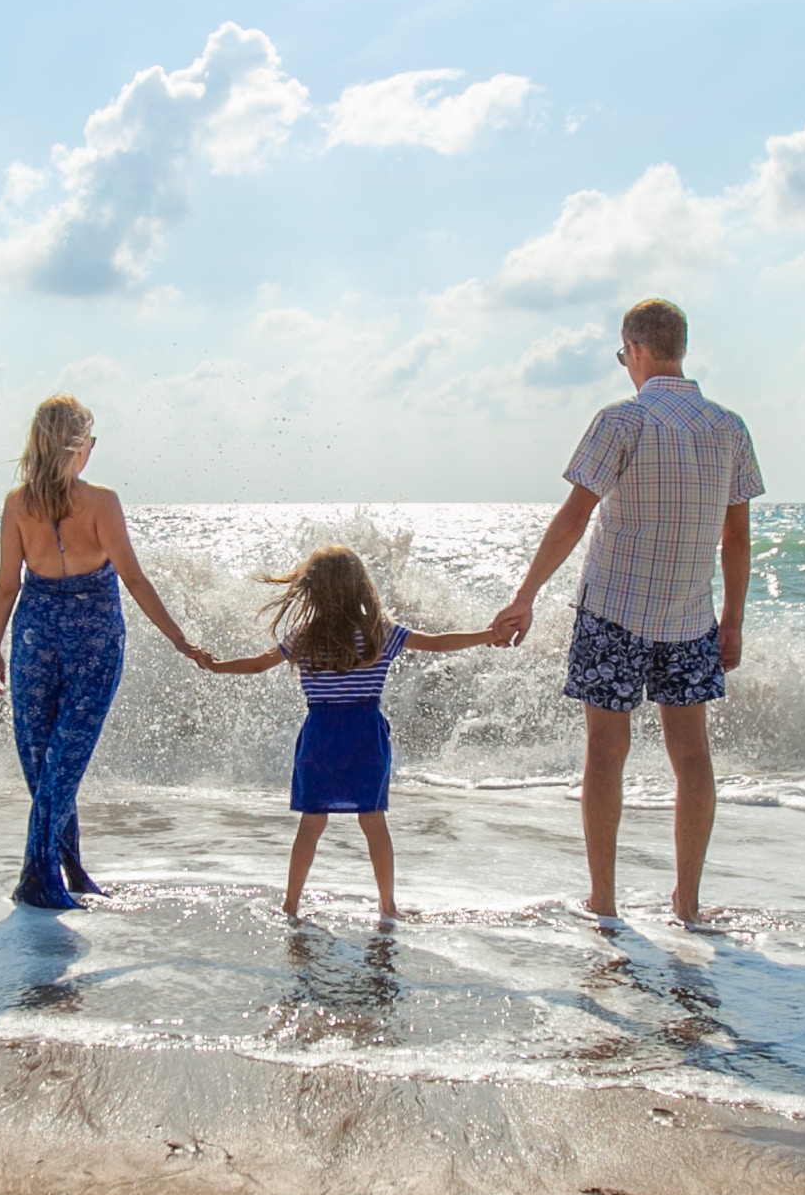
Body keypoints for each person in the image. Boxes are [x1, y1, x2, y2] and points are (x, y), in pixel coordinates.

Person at [486, 298, 762, 925]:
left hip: (613, 611)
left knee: (606, 753)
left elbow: (574, 518)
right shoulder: (728, 427)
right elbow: (737, 539)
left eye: (622, 355)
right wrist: (735, 620)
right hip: (692, 618)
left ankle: (604, 900)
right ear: (680, 348)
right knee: (691, 756)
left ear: (635, 349)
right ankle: (686, 901)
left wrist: (525, 595)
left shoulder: (623, 421)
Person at [195, 545, 500, 921]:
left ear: (313, 591)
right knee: (373, 821)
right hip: (364, 735)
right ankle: (387, 906)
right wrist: (487, 635)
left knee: (312, 822)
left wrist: (217, 666)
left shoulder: (304, 636)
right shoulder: (379, 633)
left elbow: (258, 665)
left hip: (321, 736)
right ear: (360, 587)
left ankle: (291, 905)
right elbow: (437, 643)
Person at [0, 396, 200, 909]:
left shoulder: (19, 503)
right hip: (94, 641)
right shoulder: (101, 502)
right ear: (77, 448)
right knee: (59, 764)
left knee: (47, 763)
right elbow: (134, 578)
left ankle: (64, 870)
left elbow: (6, 586)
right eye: (92, 442)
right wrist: (179, 639)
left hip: (35, 636)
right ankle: (42, 875)